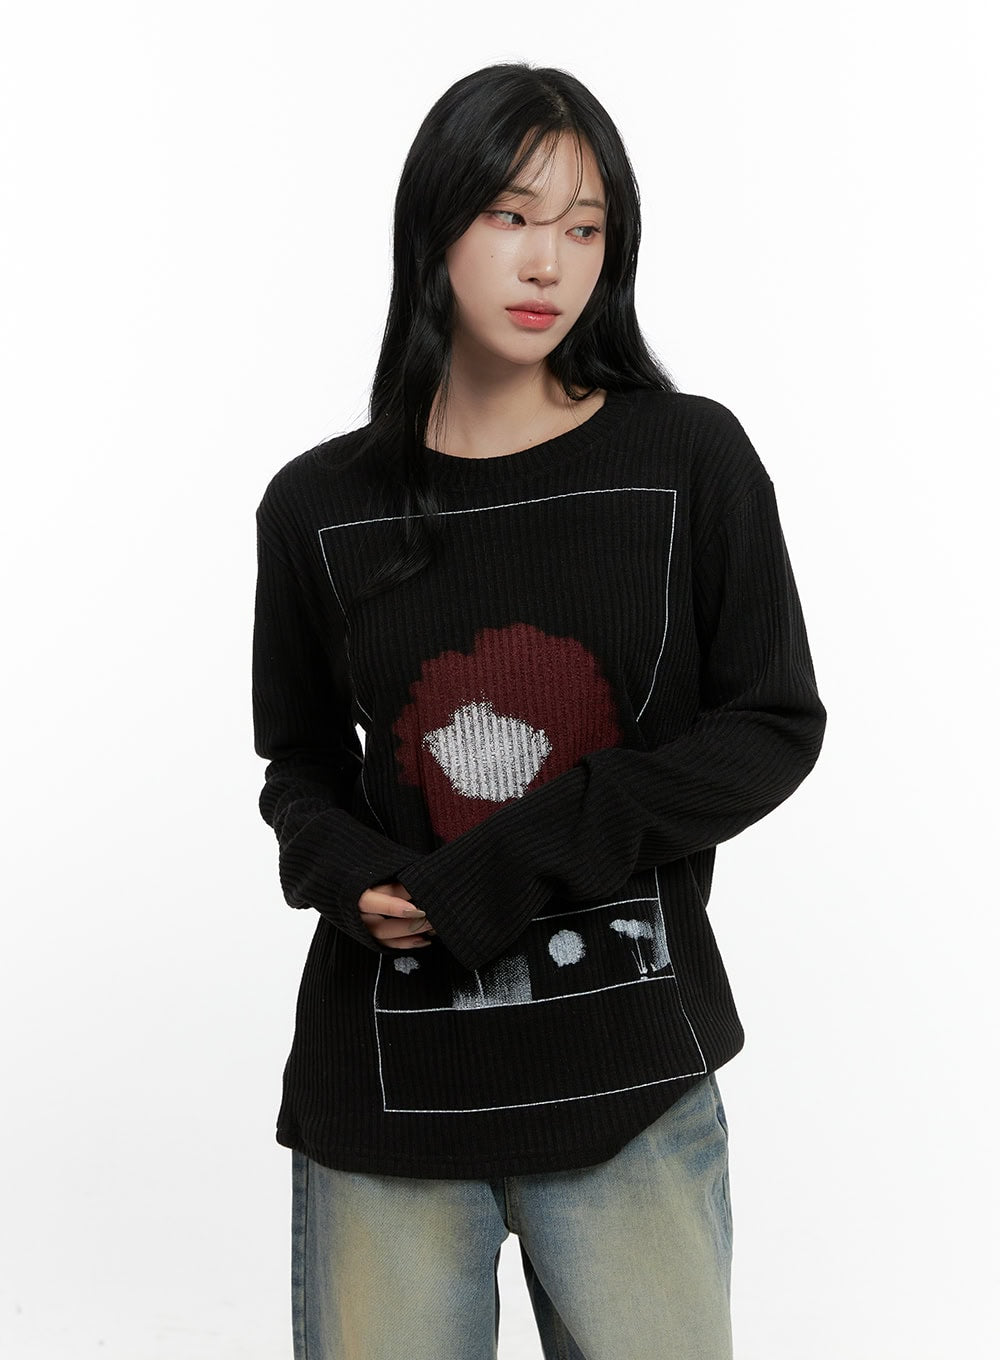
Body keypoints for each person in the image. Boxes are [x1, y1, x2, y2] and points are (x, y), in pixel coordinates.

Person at [252, 62, 826, 1360]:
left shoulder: (687, 459)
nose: (547, 262)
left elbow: (771, 724)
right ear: (435, 226)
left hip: (630, 1083)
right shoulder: (319, 508)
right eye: (510, 215)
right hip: (387, 1093)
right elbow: (298, 763)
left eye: (585, 227)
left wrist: (525, 851)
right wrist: (349, 875)